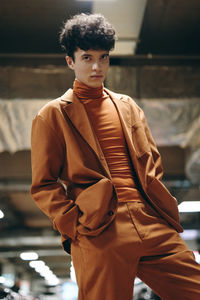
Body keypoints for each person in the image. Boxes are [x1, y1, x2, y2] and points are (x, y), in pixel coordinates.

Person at [31, 13, 200, 300]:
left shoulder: (127, 106)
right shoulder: (53, 115)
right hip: (99, 228)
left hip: (151, 220)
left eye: (104, 57)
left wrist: (155, 205)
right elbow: (43, 184)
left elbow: (151, 161)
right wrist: (77, 224)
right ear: (70, 61)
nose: (97, 67)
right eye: (87, 58)